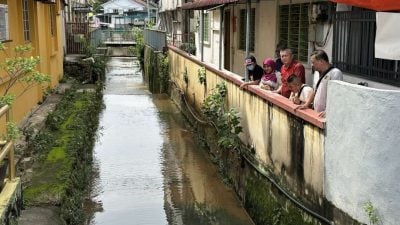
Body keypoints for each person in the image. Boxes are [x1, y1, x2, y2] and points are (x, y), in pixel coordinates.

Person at [311, 50, 343, 117]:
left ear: (321, 61)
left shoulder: (335, 73)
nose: (312, 65)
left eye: (313, 62)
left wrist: (327, 111)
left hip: (326, 116)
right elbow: (314, 90)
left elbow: (336, 96)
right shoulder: (316, 73)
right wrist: (306, 104)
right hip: (316, 113)